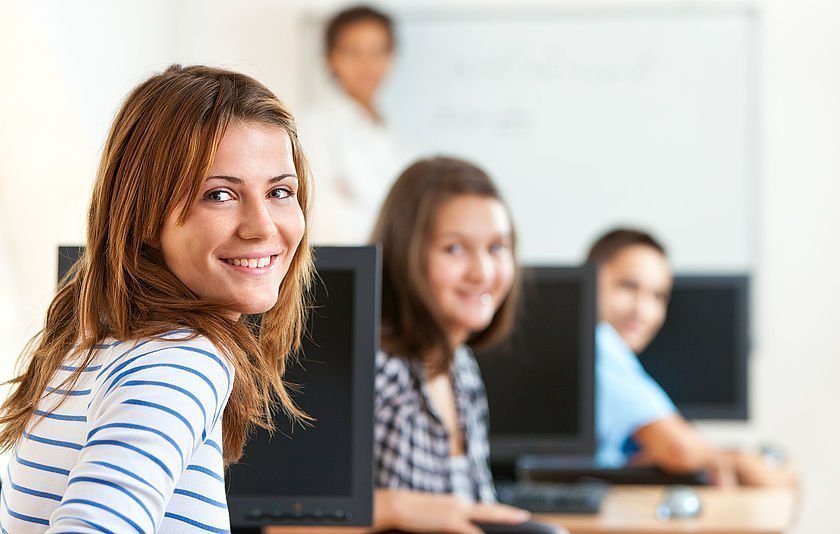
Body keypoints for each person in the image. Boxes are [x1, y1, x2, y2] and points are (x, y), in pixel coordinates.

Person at [0, 64, 314, 532]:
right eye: (220, 194)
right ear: (143, 213)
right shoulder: (182, 360)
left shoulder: (90, 342)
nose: (264, 226)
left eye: (280, 192)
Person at [369, 157, 553, 534]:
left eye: (497, 248)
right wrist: (397, 508)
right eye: (455, 249)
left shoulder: (461, 368)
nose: (482, 272)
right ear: (408, 255)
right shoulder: (377, 367)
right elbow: (291, 522)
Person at [588, 228, 795, 486]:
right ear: (589, 280)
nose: (642, 310)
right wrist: (743, 463)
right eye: (628, 286)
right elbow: (679, 449)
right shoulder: (598, 345)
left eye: (658, 296)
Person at [298, 5, 413, 244]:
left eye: (378, 51)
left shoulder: (393, 135)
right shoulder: (314, 126)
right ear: (331, 58)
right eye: (353, 52)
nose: (367, 64)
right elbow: (322, 215)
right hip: (350, 263)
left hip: (393, 260)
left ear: (392, 57)